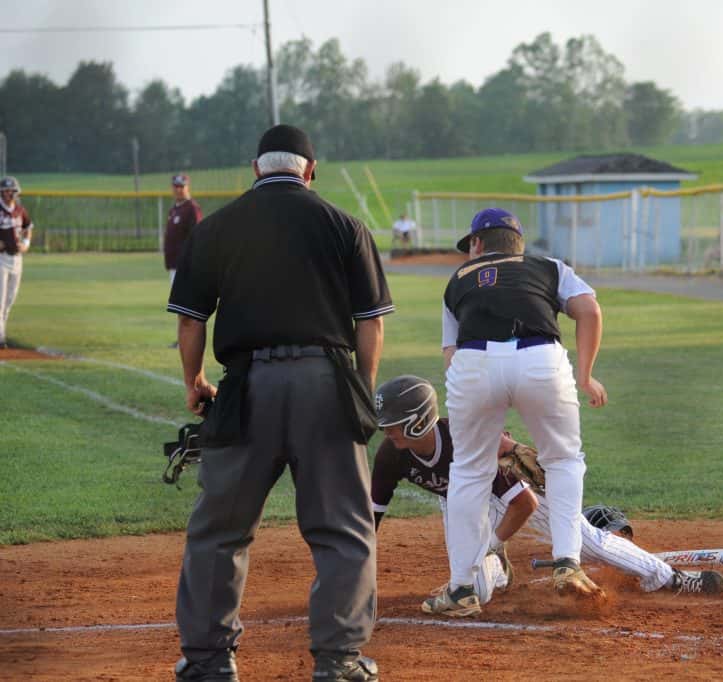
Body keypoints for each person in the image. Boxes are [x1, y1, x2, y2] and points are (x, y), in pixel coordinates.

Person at [167, 124, 392, 682]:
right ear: (310, 171)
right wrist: (360, 389)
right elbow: (370, 323)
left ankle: (210, 662)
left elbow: (191, 321)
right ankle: (338, 662)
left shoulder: (218, 226)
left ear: (255, 169)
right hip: (326, 385)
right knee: (342, 530)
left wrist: (195, 381)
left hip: (246, 388)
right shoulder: (344, 225)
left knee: (220, 530)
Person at [371, 376, 723, 616]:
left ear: (419, 421)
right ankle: (498, 572)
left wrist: (492, 543)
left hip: (510, 495)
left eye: (392, 423)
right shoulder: (391, 455)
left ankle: (669, 578)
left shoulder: (467, 443)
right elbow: (372, 513)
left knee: (586, 542)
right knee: (472, 593)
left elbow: (523, 504)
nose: (385, 431)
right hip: (461, 502)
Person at [429, 207, 608, 617]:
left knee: (470, 471)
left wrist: (481, 407)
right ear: (519, 245)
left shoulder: (457, 280)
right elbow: (590, 310)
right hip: (540, 358)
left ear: (477, 244)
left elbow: (451, 355)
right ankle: (567, 563)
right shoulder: (549, 267)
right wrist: (585, 376)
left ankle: (461, 589)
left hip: (473, 361)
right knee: (563, 460)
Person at [164, 174, 202, 349]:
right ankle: (181, 340)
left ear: (188, 187)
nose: (178, 189)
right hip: (174, 266)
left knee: (185, 307)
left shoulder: (191, 208)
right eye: (176, 186)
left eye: (182, 186)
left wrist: (193, 263)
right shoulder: (174, 209)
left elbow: (198, 237)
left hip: (185, 266)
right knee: (179, 306)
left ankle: (186, 341)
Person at [0, 176, 33, 350]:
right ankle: (0, 338)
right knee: (0, 300)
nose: (9, 194)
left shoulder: (20, 210)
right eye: (6, 191)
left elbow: (28, 227)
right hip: (1, 259)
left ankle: (2, 333)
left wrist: (26, 243)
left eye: (12, 191)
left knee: (9, 300)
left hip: (17, 260)